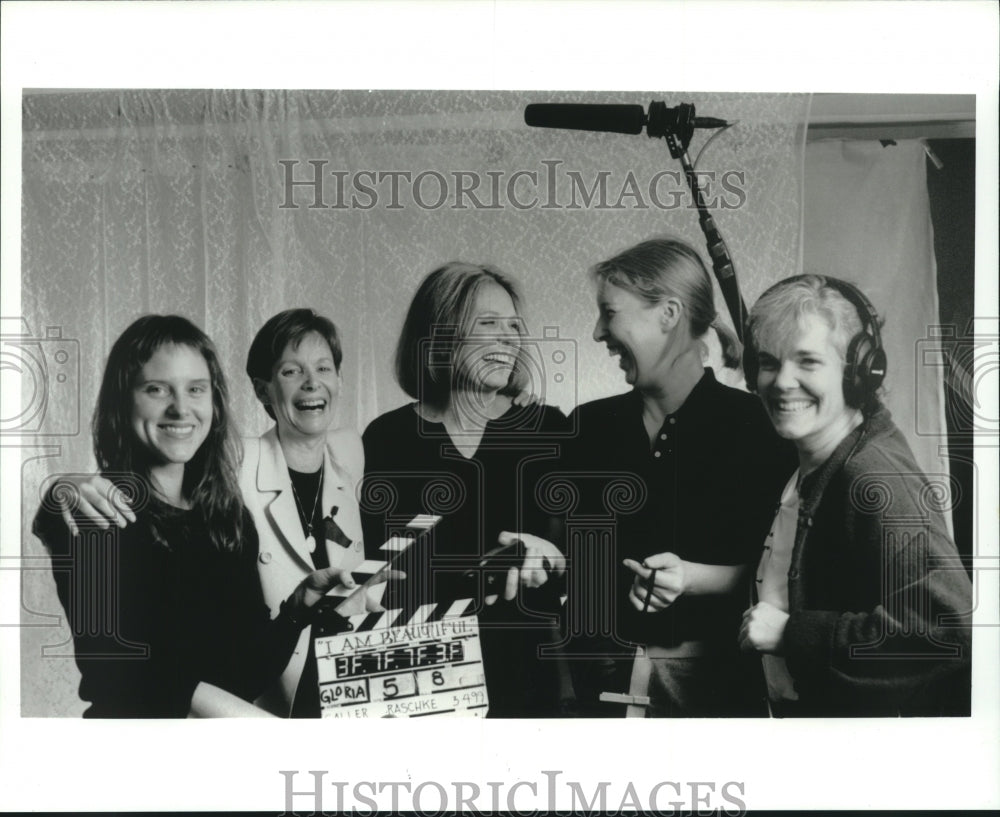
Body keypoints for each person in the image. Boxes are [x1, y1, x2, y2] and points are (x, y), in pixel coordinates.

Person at [33, 315, 357, 718]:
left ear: (214, 402)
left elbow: (245, 675)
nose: (180, 408)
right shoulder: (96, 513)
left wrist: (296, 610)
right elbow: (128, 673)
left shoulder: (226, 518)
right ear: (123, 399)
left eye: (196, 390)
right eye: (157, 389)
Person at [557, 237, 795, 717]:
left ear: (668, 314)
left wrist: (693, 579)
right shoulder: (585, 427)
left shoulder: (760, 427)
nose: (598, 331)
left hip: (718, 694)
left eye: (610, 312)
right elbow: (568, 562)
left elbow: (780, 572)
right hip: (594, 689)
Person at [739, 274, 972, 716]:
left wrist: (792, 634)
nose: (781, 381)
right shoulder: (811, 461)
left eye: (808, 362)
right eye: (769, 362)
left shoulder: (873, 478)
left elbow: (950, 632)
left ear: (858, 373)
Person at [360, 261, 570, 717]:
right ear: (441, 334)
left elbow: (583, 562)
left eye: (514, 325)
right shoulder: (385, 439)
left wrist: (550, 557)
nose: (509, 337)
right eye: (489, 324)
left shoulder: (548, 429)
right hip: (422, 685)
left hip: (533, 685)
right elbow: (376, 572)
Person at [241, 308, 371, 717]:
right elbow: (157, 471)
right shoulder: (238, 461)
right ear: (263, 391)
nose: (312, 382)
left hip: (353, 684)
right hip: (276, 694)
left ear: (339, 380)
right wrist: (74, 485)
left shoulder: (352, 450)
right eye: (291, 371)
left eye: (323, 368)